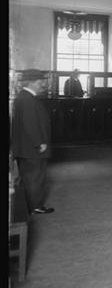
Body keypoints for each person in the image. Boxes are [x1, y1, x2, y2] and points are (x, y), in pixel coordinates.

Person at [11, 69, 54, 214]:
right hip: (32, 148)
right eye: (40, 81)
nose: (42, 84)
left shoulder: (24, 97)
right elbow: (30, 124)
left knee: (30, 177)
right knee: (35, 177)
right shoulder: (27, 99)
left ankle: (31, 205)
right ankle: (35, 206)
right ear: (32, 82)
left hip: (26, 147)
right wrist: (39, 142)